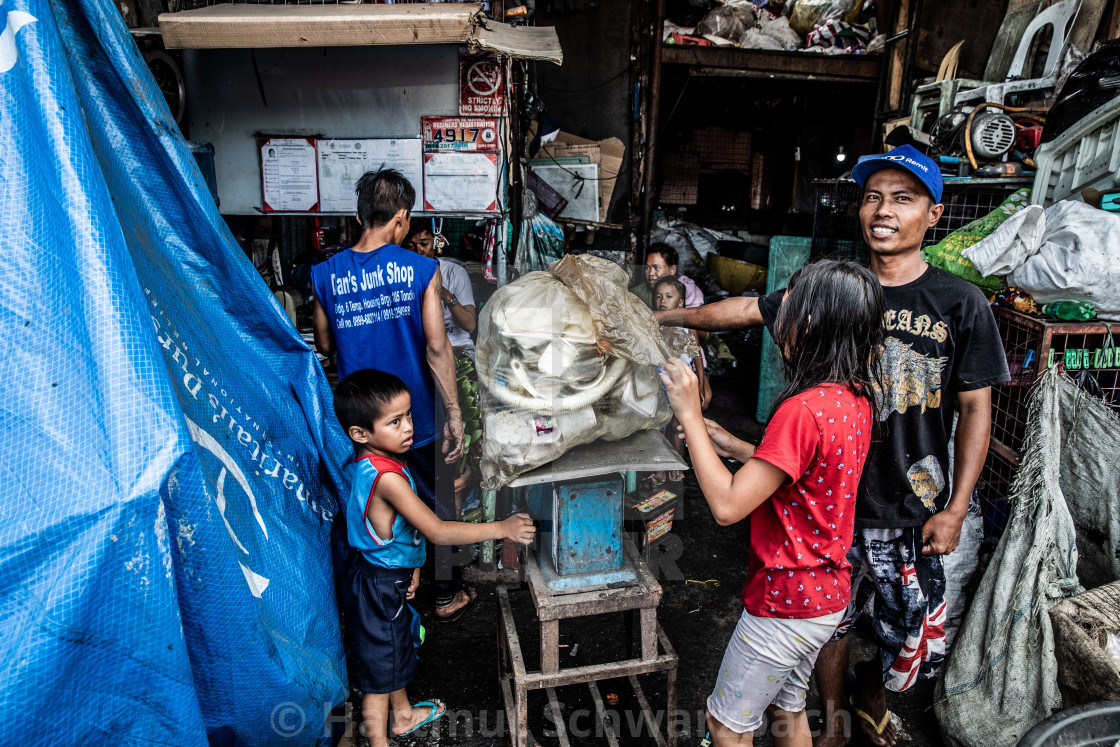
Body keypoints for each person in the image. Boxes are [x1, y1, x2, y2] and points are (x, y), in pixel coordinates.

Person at [656, 144, 1010, 747]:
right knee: (831, 623)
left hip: (910, 504)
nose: (883, 210)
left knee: (900, 631)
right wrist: (661, 321)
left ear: (934, 213)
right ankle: (834, 719)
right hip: (835, 506)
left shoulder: (957, 303)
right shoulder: (833, 294)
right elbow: (744, 309)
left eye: (903, 198)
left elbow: (978, 407)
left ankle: (869, 696)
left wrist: (955, 508)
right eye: (873, 196)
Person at [661, 258, 885, 747]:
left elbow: (726, 505)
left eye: (789, 306)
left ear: (812, 325)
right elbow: (810, 475)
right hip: (825, 594)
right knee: (788, 710)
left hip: (786, 598)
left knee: (726, 725)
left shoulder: (801, 410)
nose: (778, 316)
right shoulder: (854, 397)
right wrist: (740, 447)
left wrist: (691, 417)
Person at [332, 369, 536, 747]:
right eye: (395, 421)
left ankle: (405, 714)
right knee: (380, 671)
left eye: (408, 415)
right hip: (378, 584)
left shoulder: (378, 462)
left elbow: (389, 536)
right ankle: (381, 740)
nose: (408, 427)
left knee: (393, 647)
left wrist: (408, 569)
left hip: (382, 574)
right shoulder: (387, 478)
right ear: (360, 434)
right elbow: (438, 531)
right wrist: (501, 528)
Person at [311, 168, 474, 622]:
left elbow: (324, 345)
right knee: (438, 501)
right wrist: (455, 414)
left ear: (360, 215)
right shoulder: (423, 269)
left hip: (362, 421)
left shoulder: (325, 274)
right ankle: (446, 595)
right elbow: (438, 346)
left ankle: (384, 592)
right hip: (413, 417)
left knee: (372, 504)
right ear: (401, 218)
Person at [655, 276, 710, 482]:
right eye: (659, 296)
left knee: (678, 428)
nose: (662, 300)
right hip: (659, 385)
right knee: (659, 427)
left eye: (669, 296)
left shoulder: (688, 326)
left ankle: (676, 463)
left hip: (681, 386)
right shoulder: (655, 325)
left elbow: (697, 358)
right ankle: (659, 467)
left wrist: (702, 385)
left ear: (680, 303)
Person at [403, 220, 477, 357]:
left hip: (458, 346)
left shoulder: (454, 272)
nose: (418, 250)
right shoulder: (401, 276)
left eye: (424, 244)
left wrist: (446, 295)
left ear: (435, 242)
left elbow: (470, 325)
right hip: (421, 349)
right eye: (410, 246)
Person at [631, 243, 704, 311]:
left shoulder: (689, 293)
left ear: (672, 270)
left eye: (656, 268)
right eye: (647, 268)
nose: (651, 273)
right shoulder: (636, 293)